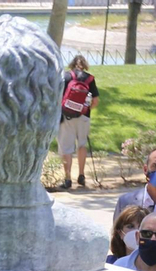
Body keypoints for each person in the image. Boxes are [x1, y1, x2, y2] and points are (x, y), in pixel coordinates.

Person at [57, 56, 98, 191]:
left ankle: (67, 179)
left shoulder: (65, 76)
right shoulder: (90, 79)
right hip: (84, 116)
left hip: (66, 116)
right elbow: (95, 101)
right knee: (82, 144)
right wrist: (84, 110)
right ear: (85, 65)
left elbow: (58, 97)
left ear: (72, 64)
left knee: (66, 147)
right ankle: (81, 175)